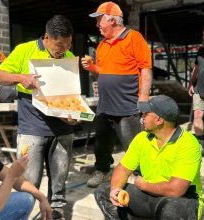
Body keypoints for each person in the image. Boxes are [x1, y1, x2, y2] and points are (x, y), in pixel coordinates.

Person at [0, 15, 76, 220]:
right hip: (33, 128)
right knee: (29, 181)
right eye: (59, 44)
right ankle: (27, 213)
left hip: (63, 128)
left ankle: (55, 213)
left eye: (68, 44)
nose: (63, 49)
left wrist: (75, 115)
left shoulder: (68, 56)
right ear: (47, 37)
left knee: (59, 181)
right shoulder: (24, 50)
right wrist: (22, 78)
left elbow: (72, 94)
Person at [94, 95, 204, 220]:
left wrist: (143, 185)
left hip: (180, 199)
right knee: (103, 191)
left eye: (146, 114)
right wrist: (116, 189)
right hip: (149, 196)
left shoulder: (188, 143)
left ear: (158, 120)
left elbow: (176, 190)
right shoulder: (142, 138)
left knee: (171, 211)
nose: (142, 118)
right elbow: (123, 169)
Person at [81, 1, 153, 187]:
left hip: (127, 105)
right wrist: (92, 68)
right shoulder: (102, 45)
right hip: (105, 105)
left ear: (112, 20)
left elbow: (145, 69)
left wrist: (143, 98)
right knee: (102, 144)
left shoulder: (134, 38)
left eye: (99, 21)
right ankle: (103, 171)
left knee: (134, 144)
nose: (97, 25)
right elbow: (103, 72)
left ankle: (142, 177)